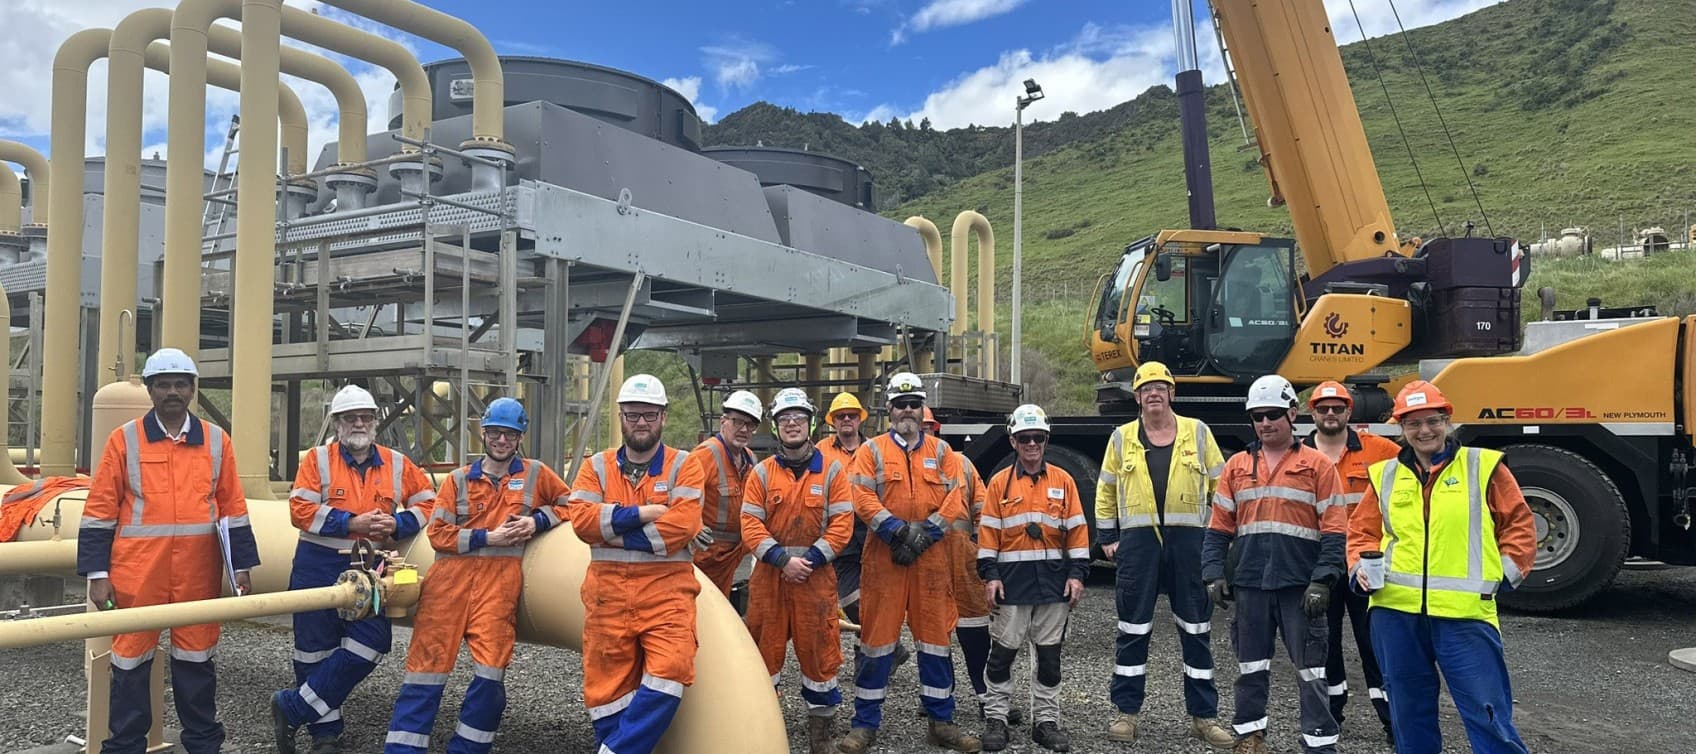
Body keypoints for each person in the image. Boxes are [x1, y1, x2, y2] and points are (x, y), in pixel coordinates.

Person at [78, 347, 258, 754]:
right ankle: (125, 745)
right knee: (129, 662)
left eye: (180, 384)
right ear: (150, 390)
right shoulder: (124, 440)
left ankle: (203, 744)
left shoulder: (216, 441)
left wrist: (241, 566)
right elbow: (100, 510)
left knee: (197, 661)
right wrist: (97, 574)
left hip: (198, 573)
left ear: (192, 389)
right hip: (138, 573)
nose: (172, 392)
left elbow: (233, 506)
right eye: (163, 385)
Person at [1347, 380, 1536, 754]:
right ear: (1402, 427)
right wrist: (1360, 568)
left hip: (1464, 615)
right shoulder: (1384, 475)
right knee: (1408, 715)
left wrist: (1503, 576)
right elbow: (1362, 532)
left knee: (1488, 714)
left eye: (1433, 421)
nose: (1425, 431)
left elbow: (1518, 524)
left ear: (1447, 421)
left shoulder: (1482, 466)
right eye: (1413, 423)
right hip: (1394, 614)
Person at [382, 397, 571, 754]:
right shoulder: (457, 480)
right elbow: (437, 534)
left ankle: (467, 749)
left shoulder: (536, 474)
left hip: (499, 587)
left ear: (520, 438)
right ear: (483, 434)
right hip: (448, 584)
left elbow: (572, 504)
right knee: (425, 672)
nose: (502, 441)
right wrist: (489, 537)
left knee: (491, 675)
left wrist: (536, 521)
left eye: (509, 435)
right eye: (495, 433)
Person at [272, 385, 437, 754]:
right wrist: (350, 523)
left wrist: (399, 524)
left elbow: (430, 502)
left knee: (372, 643)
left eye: (365, 417)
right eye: (351, 418)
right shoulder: (317, 460)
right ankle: (326, 734)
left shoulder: (396, 463)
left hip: (369, 566)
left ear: (375, 422)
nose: (359, 423)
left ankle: (293, 707)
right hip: (317, 563)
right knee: (314, 650)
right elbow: (300, 510)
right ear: (337, 424)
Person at [1202, 374, 1345, 754]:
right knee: (1250, 668)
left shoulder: (1318, 466)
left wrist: (1323, 580)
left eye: (1273, 414)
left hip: (1300, 586)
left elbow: (1334, 531)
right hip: (1251, 584)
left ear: (1292, 414)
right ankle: (1249, 737)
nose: (1265, 423)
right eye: (1257, 416)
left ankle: (1319, 744)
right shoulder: (1236, 467)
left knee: (1311, 671)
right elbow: (1218, 528)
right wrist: (1213, 573)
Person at [839, 371, 981, 753]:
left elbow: (956, 499)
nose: (907, 410)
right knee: (876, 643)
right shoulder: (871, 452)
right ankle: (864, 726)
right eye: (901, 404)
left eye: (914, 404)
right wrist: (899, 532)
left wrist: (924, 536)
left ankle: (941, 723)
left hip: (930, 561)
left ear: (922, 409)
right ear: (889, 409)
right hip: (884, 559)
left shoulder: (943, 452)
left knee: (935, 642)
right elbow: (861, 498)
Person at [566, 374, 707, 754]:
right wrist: (644, 512)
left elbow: (683, 525)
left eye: (649, 414)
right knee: (606, 692)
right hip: (607, 595)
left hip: (667, 593)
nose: (641, 422)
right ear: (621, 417)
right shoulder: (596, 467)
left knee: (671, 671)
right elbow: (581, 522)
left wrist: (612, 530)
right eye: (632, 415)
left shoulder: (685, 465)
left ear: (663, 417)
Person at [1096, 362, 1235, 749]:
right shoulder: (1121, 437)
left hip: (1189, 544)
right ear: (1137, 397)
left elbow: (1221, 488)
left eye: (1160, 387)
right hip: (1138, 545)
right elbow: (1106, 490)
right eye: (1146, 389)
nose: (1153, 393)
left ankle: (1204, 718)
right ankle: (1126, 714)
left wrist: (1216, 539)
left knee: (1196, 629)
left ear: (1172, 393)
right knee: (1133, 629)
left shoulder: (1198, 431)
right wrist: (1107, 537)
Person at [741, 388, 856, 754]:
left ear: (810, 423)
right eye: (785, 419)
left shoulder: (832, 471)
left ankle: (820, 740)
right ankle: (762, 735)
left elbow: (842, 524)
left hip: (815, 581)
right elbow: (750, 525)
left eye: (799, 418)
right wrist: (782, 560)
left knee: (820, 660)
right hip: (770, 581)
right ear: (776, 427)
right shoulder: (761, 473)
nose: (792, 424)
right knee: (763, 659)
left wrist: (810, 561)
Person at [976, 405, 1089, 753]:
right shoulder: (999, 483)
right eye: (1024, 438)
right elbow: (988, 535)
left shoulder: (1064, 481)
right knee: (1001, 657)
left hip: (1054, 585)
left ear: (1046, 439)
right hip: (1011, 586)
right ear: (1013, 441)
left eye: (1038, 437)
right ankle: (996, 718)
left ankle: (1046, 721)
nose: (1031, 444)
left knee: (1050, 660)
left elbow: (1078, 532)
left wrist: (1077, 575)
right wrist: (990, 576)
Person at [1300, 381, 1399, 744]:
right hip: (1319, 568)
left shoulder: (1381, 450)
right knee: (1325, 645)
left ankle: (1393, 721)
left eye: (1337, 408)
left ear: (1349, 412)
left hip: (1365, 565)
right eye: (1323, 408)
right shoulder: (1298, 455)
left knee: (1375, 644)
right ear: (1312, 413)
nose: (1330, 414)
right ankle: (1331, 715)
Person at [927, 407, 993, 722]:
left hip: (964, 560)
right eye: (919, 428)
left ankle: (986, 697)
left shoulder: (961, 463)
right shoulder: (903, 466)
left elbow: (982, 506)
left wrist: (983, 548)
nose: (923, 433)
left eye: (928, 427)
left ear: (936, 429)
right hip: (928, 562)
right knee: (934, 634)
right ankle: (939, 698)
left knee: (975, 629)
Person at [688, 389, 762, 599]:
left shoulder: (750, 459)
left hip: (731, 556)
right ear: (723, 421)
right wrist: (694, 528)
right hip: (703, 555)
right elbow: (683, 498)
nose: (743, 429)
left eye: (750, 425)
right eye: (737, 422)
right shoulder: (706, 455)